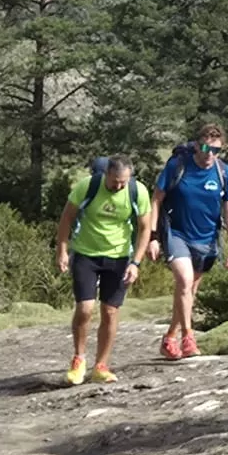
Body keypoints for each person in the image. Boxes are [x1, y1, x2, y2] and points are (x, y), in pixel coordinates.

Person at [53, 156, 154, 385]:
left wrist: (135, 263)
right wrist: (62, 250)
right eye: (116, 181)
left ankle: (101, 365)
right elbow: (66, 218)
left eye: (124, 182)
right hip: (86, 254)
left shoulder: (137, 191)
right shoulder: (87, 186)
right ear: (106, 174)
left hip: (118, 258)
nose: (119, 186)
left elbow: (145, 229)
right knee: (85, 308)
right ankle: (79, 359)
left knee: (110, 312)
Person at [148, 122, 228, 361]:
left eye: (216, 150)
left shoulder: (224, 173)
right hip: (176, 233)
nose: (209, 154)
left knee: (188, 291)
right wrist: (152, 237)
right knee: (184, 280)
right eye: (204, 147)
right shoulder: (178, 166)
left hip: (206, 239)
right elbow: (156, 200)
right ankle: (188, 338)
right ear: (196, 145)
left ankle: (170, 337)